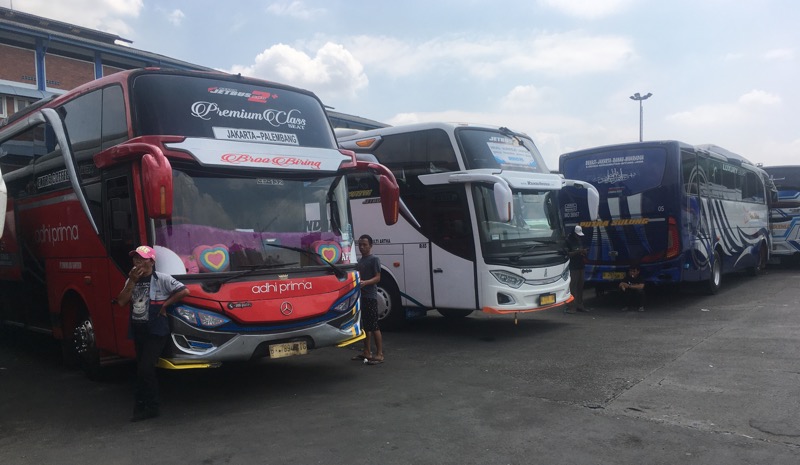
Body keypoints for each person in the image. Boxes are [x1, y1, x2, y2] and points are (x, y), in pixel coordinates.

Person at [116, 245, 190, 422]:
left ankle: (151, 406)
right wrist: (132, 282)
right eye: (135, 258)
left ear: (151, 261)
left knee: (145, 368)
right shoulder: (131, 280)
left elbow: (184, 291)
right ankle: (141, 405)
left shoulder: (162, 279)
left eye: (141, 258)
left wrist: (166, 304)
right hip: (138, 329)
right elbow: (121, 302)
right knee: (141, 369)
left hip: (156, 330)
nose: (137, 262)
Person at [351, 234, 384, 365]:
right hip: (361, 297)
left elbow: (378, 278)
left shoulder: (374, 259)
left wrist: (366, 283)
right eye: (360, 245)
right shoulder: (359, 261)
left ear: (370, 246)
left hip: (370, 297)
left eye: (365, 245)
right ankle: (366, 351)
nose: (362, 247)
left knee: (374, 325)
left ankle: (380, 354)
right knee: (365, 326)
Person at [565, 225, 588, 313]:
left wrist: (583, 252)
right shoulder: (568, 241)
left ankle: (580, 305)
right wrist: (578, 251)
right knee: (573, 287)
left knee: (580, 286)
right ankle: (571, 307)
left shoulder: (579, 240)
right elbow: (567, 254)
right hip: (573, 266)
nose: (578, 236)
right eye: (577, 234)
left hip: (581, 265)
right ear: (573, 233)